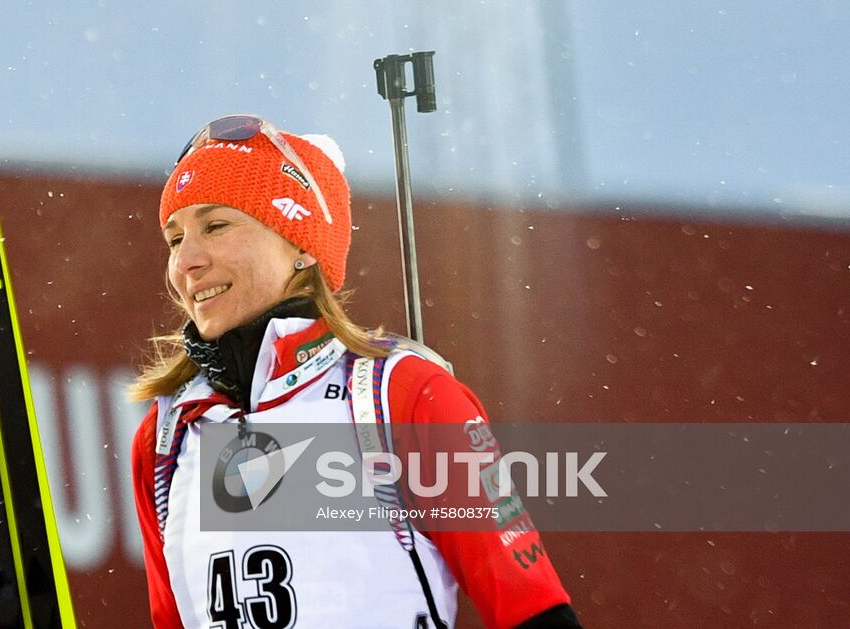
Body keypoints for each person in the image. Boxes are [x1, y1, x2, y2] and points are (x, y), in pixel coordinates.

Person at [128, 115, 582, 629]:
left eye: (215, 226)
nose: (185, 261)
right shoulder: (167, 437)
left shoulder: (402, 394)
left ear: (300, 243)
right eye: (173, 239)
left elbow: (531, 609)